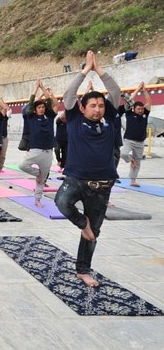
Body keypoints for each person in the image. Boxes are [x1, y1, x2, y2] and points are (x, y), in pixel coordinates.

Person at [55, 51, 121, 288]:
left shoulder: (110, 119)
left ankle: (83, 270)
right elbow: (70, 94)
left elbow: (115, 92)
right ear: (83, 107)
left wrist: (100, 69)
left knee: (95, 232)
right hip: (76, 179)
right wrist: (85, 70)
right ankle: (83, 224)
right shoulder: (74, 118)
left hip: (103, 184)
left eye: (100, 105)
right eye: (92, 105)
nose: (97, 109)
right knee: (62, 203)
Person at [18, 78, 58, 207]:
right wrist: (36, 88)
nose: (41, 109)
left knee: (43, 180)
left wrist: (43, 89)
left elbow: (51, 103)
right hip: (35, 150)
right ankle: (38, 174)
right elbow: (30, 104)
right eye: (39, 107)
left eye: (42, 107)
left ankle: (38, 200)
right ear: (35, 110)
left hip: (47, 151)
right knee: (23, 166)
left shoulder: (49, 116)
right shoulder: (31, 117)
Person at [119, 81, 151, 187]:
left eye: (142, 109)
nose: (141, 110)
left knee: (138, 162)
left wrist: (144, 90)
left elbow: (149, 102)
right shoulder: (129, 113)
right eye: (139, 109)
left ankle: (133, 180)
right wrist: (137, 89)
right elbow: (130, 100)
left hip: (140, 142)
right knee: (123, 154)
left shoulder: (145, 114)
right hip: (129, 140)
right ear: (134, 109)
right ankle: (130, 159)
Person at [0, 99, 11, 172]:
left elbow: (8, 109)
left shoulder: (6, 117)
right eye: (3, 110)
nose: (4, 111)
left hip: (4, 138)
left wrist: (1, 100)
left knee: (3, 155)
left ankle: (0, 168)